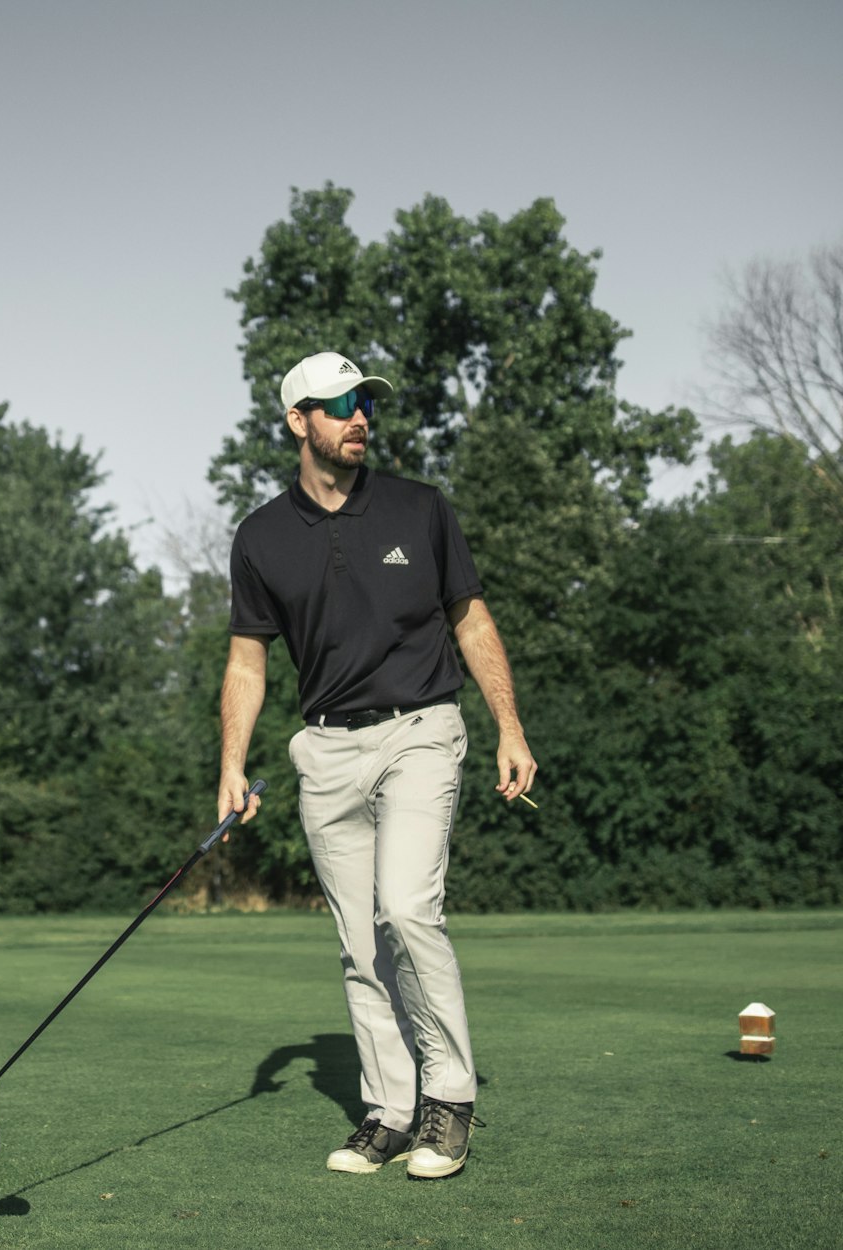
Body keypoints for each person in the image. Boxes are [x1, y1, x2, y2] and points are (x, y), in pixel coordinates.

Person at [217, 351, 536, 1179]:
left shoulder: (420, 509)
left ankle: (450, 1100)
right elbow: (248, 662)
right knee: (360, 942)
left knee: (405, 908)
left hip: (421, 729)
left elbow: (470, 620)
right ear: (298, 422)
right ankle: (390, 1109)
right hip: (324, 748)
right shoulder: (259, 538)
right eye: (339, 405)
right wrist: (231, 762)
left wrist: (509, 725)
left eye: (365, 401)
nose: (360, 416)